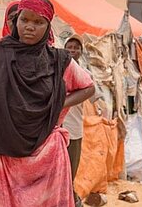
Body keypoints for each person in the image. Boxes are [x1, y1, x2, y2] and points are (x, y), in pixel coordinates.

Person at [0, 0, 96, 205]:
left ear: (48, 26)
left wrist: (58, 103)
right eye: (24, 19)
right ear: (16, 21)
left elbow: (89, 87)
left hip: (47, 158)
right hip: (1, 156)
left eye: (38, 22)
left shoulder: (58, 60)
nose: (30, 27)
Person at [63, 35, 93, 207]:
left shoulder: (86, 75)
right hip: (56, 131)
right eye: (70, 47)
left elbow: (95, 96)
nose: (73, 50)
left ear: (81, 52)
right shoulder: (56, 70)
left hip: (74, 131)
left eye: (76, 47)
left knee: (70, 173)